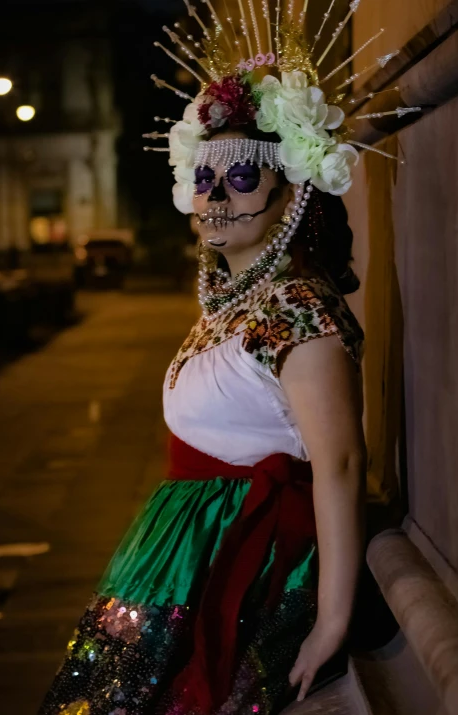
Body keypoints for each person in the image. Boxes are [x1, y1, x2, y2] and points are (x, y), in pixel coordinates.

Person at [37, 4, 409, 713]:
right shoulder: (233, 302)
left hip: (248, 567)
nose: (215, 194)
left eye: (241, 177)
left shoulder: (300, 308)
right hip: (181, 560)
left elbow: (339, 463)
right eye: (205, 177)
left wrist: (330, 618)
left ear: (288, 192)